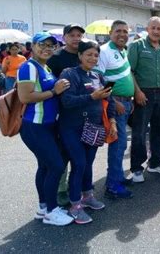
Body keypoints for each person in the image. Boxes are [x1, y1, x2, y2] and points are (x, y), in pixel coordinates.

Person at [17, 32, 73, 226]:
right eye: (43, 44)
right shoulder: (28, 67)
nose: (47, 48)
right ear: (33, 46)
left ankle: (43, 208)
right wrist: (53, 91)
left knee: (45, 166)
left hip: (48, 126)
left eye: (51, 45)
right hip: (35, 126)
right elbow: (25, 97)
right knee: (56, 165)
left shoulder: (45, 67)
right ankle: (51, 210)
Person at [59, 41, 116, 224]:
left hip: (95, 126)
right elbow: (66, 101)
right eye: (88, 54)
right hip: (72, 127)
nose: (93, 58)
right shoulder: (69, 73)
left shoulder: (98, 75)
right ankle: (75, 205)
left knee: (88, 163)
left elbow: (110, 99)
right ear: (80, 56)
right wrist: (92, 97)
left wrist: (112, 121)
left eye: (96, 55)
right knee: (79, 163)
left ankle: (87, 196)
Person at [128, 16, 160, 182]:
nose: (156, 31)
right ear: (148, 29)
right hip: (144, 94)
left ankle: (155, 163)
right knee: (140, 131)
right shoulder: (137, 46)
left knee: (159, 130)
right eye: (153, 28)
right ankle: (136, 168)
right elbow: (130, 71)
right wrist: (137, 92)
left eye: (159, 29)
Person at [94, 20, 134, 199]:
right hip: (115, 104)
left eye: (125, 32)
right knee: (118, 145)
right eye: (118, 31)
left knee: (121, 143)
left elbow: (124, 75)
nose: (122, 35)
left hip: (125, 103)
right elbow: (98, 80)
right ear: (110, 33)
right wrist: (112, 102)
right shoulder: (104, 51)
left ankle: (117, 176)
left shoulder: (122, 50)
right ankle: (113, 185)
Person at [47, 23, 85, 207]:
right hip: (61, 113)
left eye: (79, 35)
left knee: (78, 153)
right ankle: (60, 189)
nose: (76, 38)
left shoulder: (83, 55)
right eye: (72, 35)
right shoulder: (55, 58)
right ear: (64, 37)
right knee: (62, 152)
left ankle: (74, 185)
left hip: (81, 111)